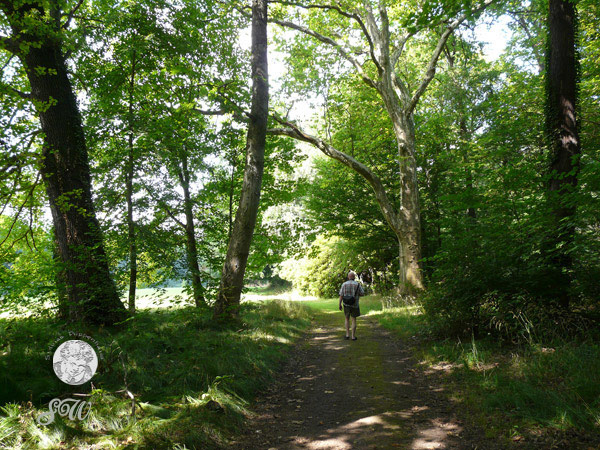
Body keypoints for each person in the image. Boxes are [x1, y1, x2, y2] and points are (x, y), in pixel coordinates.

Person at [338, 272, 364, 341]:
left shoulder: (344, 284)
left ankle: (347, 335)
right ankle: (353, 336)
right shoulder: (357, 284)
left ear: (348, 277)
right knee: (353, 319)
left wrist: (340, 304)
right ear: (354, 277)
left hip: (346, 304)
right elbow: (362, 293)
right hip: (355, 304)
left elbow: (341, 295)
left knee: (346, 319)